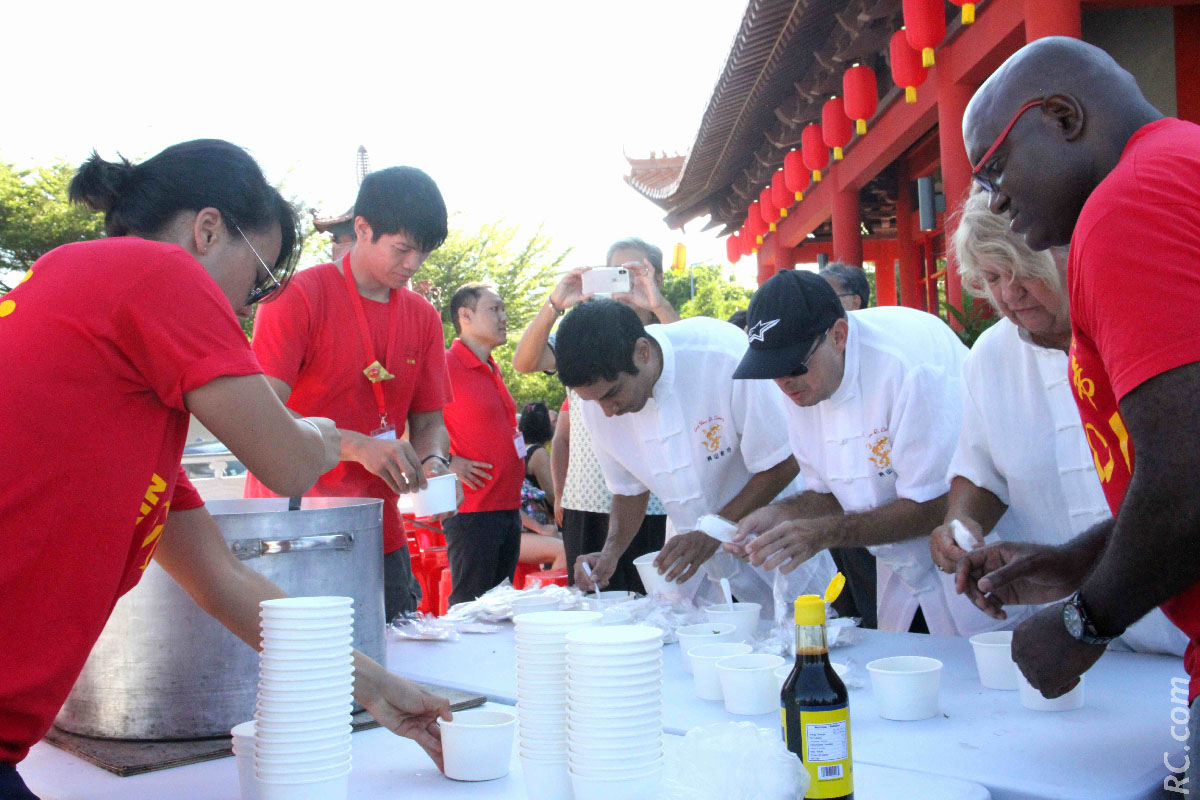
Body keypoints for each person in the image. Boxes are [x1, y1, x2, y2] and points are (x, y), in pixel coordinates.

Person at [0, 141, 450, 799]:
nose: (249, 309)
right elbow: (289, 462)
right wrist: (330, 435)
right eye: (257, 279)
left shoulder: (126, 397)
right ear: (206, 230)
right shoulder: (155, 270)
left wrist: (379, 690)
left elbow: (224, 580)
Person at [957, 37, 1200, 736]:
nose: (996, 198)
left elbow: (1188, 470)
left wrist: (1082, 623)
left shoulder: (1126, 202)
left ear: (1063, 117)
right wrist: (1080, 559)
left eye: (997, 166)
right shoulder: (1179, 155)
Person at [929, 191, 1185, 655]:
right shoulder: (992, 356)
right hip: (1077, 638)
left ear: (1071, 256)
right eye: (991, 277)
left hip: (1184, 627)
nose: (1009, 294)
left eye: (1024, 271)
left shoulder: (1146, 324)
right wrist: (959, 523)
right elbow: (982, 470)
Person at [730, 269, 994, 636]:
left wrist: (825, 534)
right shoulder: (801, 386)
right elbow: (830, 496)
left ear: (838, 336)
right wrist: (777, 513)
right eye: (770, 370)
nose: (783, 382)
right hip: (898, 566)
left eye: (792, 365)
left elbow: (936, 504)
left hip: (974, 551)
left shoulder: (909, 368)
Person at [244, 166, 455, 623]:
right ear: (362, 228)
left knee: (396, 658)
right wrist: (358, 446)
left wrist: (435, 460)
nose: (413, 264)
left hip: (381, 530)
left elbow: (430, 422)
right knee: (302, 671)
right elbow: (260, 416)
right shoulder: (298, 296)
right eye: (402, 249)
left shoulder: (422, 317)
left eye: (423, 252)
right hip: (295, 526)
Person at [556, 298, 836, 613]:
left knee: (803, 635)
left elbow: (784, 459)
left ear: (642, 352)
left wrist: (713, 531)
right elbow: (629, 491)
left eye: (612, 394)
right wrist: (610, 553)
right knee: (702, 646)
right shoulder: (593, 404)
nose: (608, 411)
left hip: (773, 538)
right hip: (691, 558)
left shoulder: (721, 353)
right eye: (594, 401)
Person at [512, 238, 678, 592]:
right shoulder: (583, 335)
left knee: (661, 603)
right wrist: (556, 304)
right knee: (593, 600)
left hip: (658, 500)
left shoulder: (665, 332)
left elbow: (687, 354)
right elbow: (525, 363)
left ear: (658, 278)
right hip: (588, 498)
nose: (625, 282)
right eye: (616, 272)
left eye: (635, 272)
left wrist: (656, 304)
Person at [442, 283, 525, 605]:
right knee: (470, 607)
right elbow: (407, 421)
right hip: (473, 511)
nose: (504, 317)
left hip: (507, 507)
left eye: (503, 309)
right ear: (465, 315)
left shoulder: (492, 366)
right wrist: (448, 461)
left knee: (498, 606)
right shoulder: (445, 365)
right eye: (494, 309)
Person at [516, 401, 567, 571]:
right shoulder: (537, 453)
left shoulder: (517, 449)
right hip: (531, 529)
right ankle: (553, 591)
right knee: (573, 546)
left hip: (523, 527)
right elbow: (553, 496)